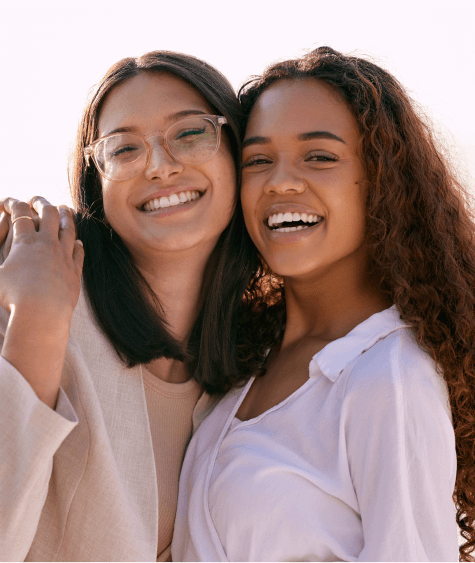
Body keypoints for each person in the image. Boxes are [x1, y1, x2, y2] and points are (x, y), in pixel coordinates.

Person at [172, 47, 475, 562]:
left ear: (383, 183)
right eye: (258, 160)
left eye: (320, 157)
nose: (280, 182)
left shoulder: (388, 376)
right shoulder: (239, 361)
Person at [0, 51, 274, 561]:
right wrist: (36, 322)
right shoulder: (28, 291)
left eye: (191, 133)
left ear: (238, 154)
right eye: (124, 148)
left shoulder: (257, 370)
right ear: (96, 182)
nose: (159, 166)